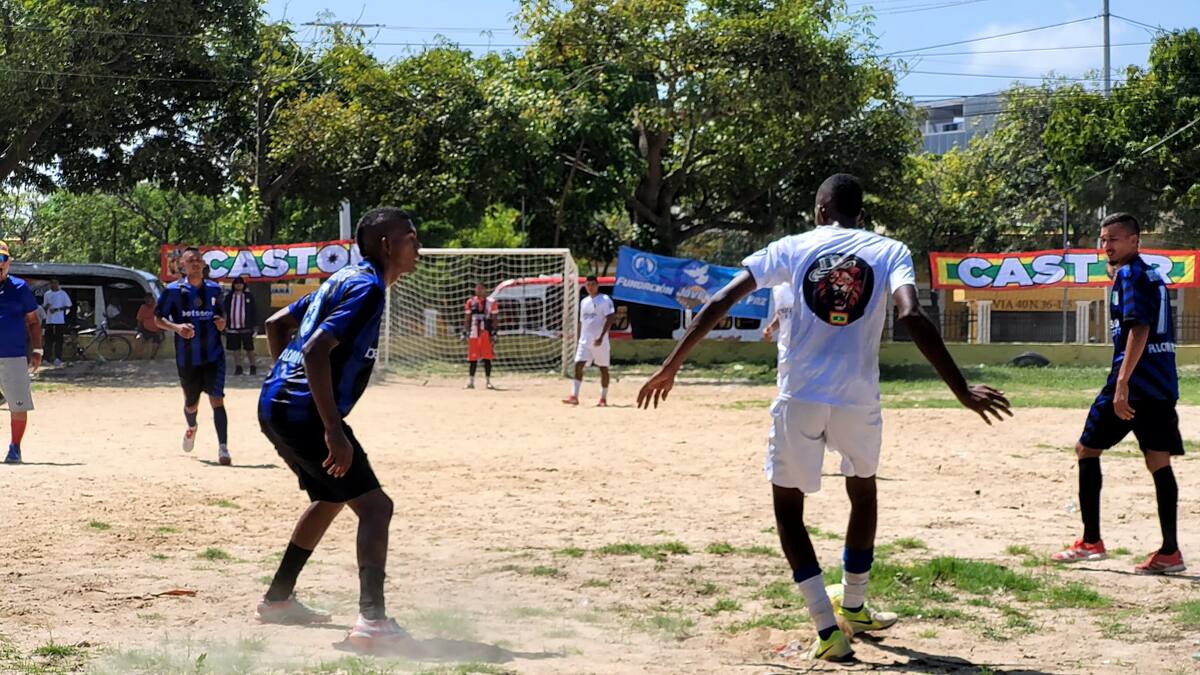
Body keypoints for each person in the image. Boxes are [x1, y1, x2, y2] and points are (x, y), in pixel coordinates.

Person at [637, 174, 1011, 662]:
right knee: (864, 491)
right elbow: (912, 317)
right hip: (859, 397)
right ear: (860, 213)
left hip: (801, 396)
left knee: (789, 509)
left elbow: (720, 300)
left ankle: (827, 627)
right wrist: (960, 389)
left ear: (819, 210)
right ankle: (852, 603)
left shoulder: (791, 248)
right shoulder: (889, 250)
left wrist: (672, 365)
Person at [256, 207, 420, 648]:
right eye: (411, 238)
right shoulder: (365, 288)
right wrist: (332, 428)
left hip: (275, 404)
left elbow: (277, 325)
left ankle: (277, 601)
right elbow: (313, 351)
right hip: (303, 413)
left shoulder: (342, 279)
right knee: (375, 507)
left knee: (331, 496)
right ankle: (372, 623)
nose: (417, 247)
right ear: (387, 245)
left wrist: (288, 382)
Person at [1052, 213, 1186, 574]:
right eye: (1103, 239)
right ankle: (1170, 552)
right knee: (1158, 461)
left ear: (1133, 241)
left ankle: (1091, 541)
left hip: (1135, 383)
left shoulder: (1129, 274)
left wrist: (1123, 383)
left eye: (1113, 239)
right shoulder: (1153, 274)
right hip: (1161, 383)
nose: (1106, 246)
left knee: (1086, 450)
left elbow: (1138, 328)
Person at [154, 248, 231, 466]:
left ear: (204, 265)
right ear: (182, 266)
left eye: (199, 260)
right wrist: (177, 327)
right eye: (191, 260)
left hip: (214, 354)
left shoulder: (215, 289)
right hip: (187, 357)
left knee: (217, 399)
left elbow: (222, 315)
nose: (196, 263)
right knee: (191, 404)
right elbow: (158, 319)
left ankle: (223, 448)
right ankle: (192, 426)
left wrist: (222, 323)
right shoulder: (173, 291)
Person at [0, 242, 42, 464]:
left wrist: (37, 350)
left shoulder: (20, 288)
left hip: (13, 355)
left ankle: (15, 447)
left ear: (9, 262)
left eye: (1, 259)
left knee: (18, 403)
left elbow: (33, 321)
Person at [562, 276, 616, 407]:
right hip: (585, 341)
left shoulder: (604, 300)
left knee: (603, 368)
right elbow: (582, 322)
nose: (590, 287)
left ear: (597, 285)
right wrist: (578, 338)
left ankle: (603, 398)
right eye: (588, 285)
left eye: (592, 284)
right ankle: (574, 396)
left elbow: (611, 317)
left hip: (600, 341)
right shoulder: (584, 301)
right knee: (578, 365)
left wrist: (601, 336)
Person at [463, 282, 498, 390]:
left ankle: (488, 382)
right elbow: (468, 318)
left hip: (485, 333)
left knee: (487, 358)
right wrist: (465, 331)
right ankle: (471, 381)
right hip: (474, 332)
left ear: (485, 290)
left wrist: (494, 332)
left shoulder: (491, 302)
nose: (478, 290)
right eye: (476, 289)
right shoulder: (470, 301)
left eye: (480, 289)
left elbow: (495, 318)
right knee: (472, 358)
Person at [223, 275, 259, 376]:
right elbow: (225, 311)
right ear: (233, 285)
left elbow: (254, 311)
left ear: (244, 285)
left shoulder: (248, 296)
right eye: (237, 284)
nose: (239, 285)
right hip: (232, 327)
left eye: (240, 283)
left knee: (249, 348)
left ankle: (253, 366)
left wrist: (255, 325)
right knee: (235, 349)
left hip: (246, 327)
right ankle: (238, 367)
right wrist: (225, 324)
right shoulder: (229, 297)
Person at [762, 281, 794, 387]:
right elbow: (782, 313)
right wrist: (771, 327)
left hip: (808, 350)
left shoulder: (808, 279)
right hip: (785, 350)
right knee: (784, 388)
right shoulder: (778, 287)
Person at [41, 279, 70, 366]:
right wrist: (47, 307)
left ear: (58, 284)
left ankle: (58, 358)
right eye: (52, 283)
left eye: (55, 283)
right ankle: (46, 358)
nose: (54, 285)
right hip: (49, 320)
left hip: (59, 320)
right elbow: (44, 307)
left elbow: (68, 306)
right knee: (48, 340)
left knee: (59, 340)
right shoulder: (47, 294)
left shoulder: (63, 293)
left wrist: (57, 309)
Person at [135, 293, 164, 359]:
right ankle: (139, 357)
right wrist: (139, 331)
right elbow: (139, 320)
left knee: (156, 344)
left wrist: (160, 330)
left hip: (156, 330)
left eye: (149, 299)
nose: (147, 301)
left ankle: (152, 357)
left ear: (152, 299)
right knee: (139, 339)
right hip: (145, 329)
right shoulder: (143, 307)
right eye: (146, 299)